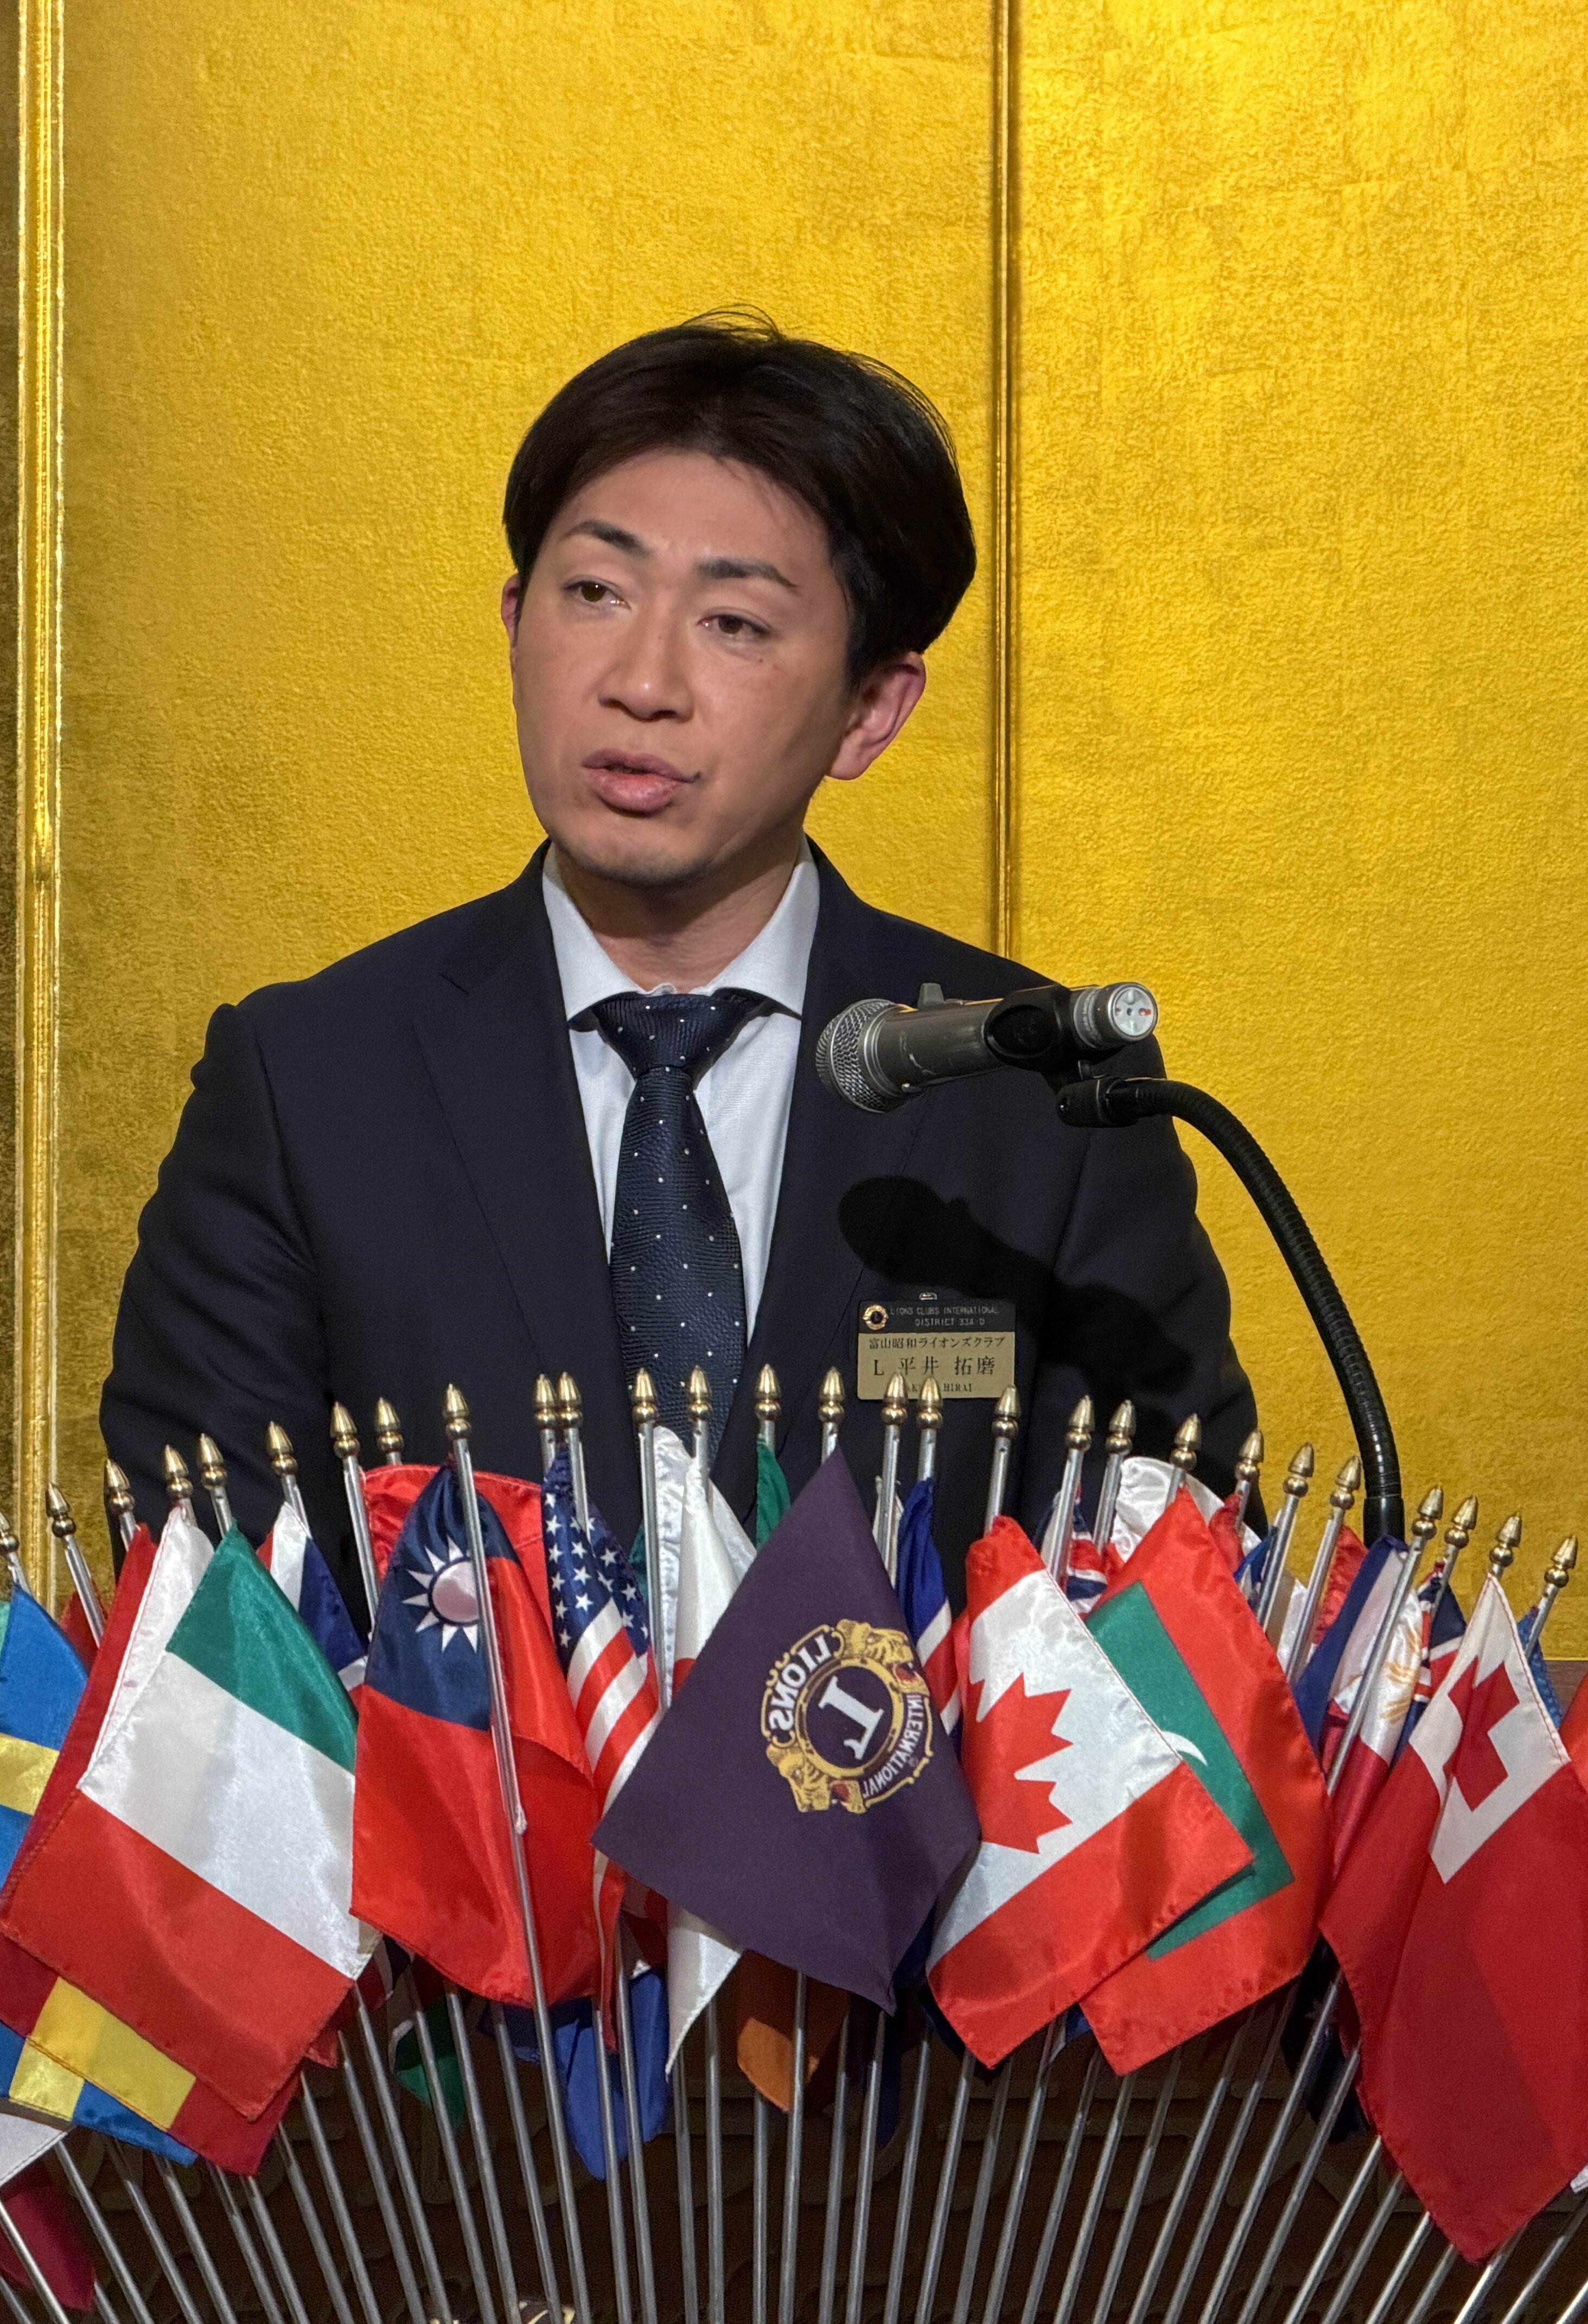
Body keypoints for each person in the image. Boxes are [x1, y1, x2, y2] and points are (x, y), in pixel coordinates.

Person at [101, 313, 1252, 1585]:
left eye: (735, 624)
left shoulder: (1042, 1100)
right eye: (595, 593)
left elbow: (1164, 1611)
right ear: (515, 623)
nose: (642, 682)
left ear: (870, 709)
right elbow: (212, 1617)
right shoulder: (309, 1084)